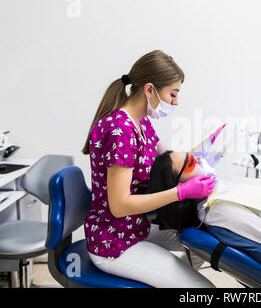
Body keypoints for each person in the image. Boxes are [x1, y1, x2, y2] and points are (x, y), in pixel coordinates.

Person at [81, 50, 224, 287]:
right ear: (149, 90)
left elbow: (171, 160)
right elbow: (119, 206)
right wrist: (182, 192)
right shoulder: (121, 132)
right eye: (173, 94)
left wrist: (209, 145)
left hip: (136, 226)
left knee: (205, 240)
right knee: (203, 289)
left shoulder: (141, 122)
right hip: (114, 242)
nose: (176, 102)